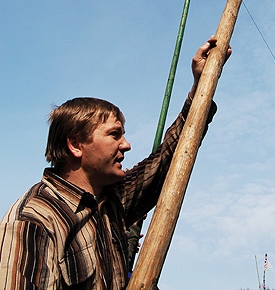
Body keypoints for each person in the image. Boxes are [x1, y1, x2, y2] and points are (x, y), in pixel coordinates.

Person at [0, 37, 231, 289]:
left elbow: (170, 160)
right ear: (76, 144)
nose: (126, 144)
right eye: (114, 134)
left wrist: (201, 85)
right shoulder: (33, 221)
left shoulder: (112, 202)